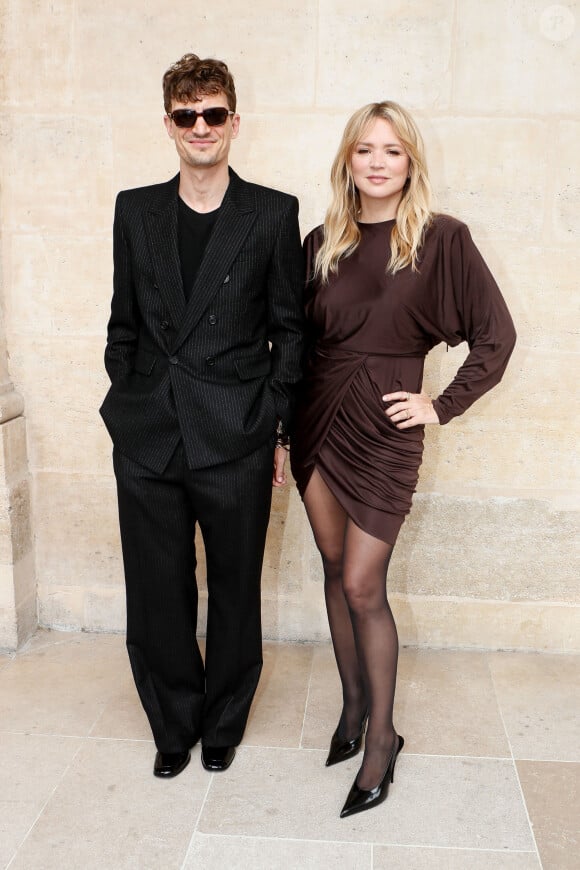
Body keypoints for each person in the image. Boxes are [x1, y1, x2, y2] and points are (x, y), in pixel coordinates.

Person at [291, 101, 516, 818]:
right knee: (332, 569)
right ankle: (354, 707)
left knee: (363, 583)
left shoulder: (441, 239)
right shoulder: (321, 240)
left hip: (385, 433)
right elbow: (293, 349)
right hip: (318, 420)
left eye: (392, 149)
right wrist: (275, 437)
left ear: (410, 161)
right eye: (365, 150)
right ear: (348, 161)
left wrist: (438, 405)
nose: (378, 161)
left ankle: (384, 739)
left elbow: (497, 337)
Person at [100, 54, 304, 779]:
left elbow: (291, 326)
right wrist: (127, 402)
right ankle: (173, 722)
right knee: (157, 589)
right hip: (150, 432)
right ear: (168, 125)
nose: (201, 127)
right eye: (186, 116)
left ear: (234, 123)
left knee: (236, 587)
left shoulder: (273, 213)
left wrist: (273, 422)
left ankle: (223, 722)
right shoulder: (135, 209)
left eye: (213, 114)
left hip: (235, 430)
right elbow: (122, 322)